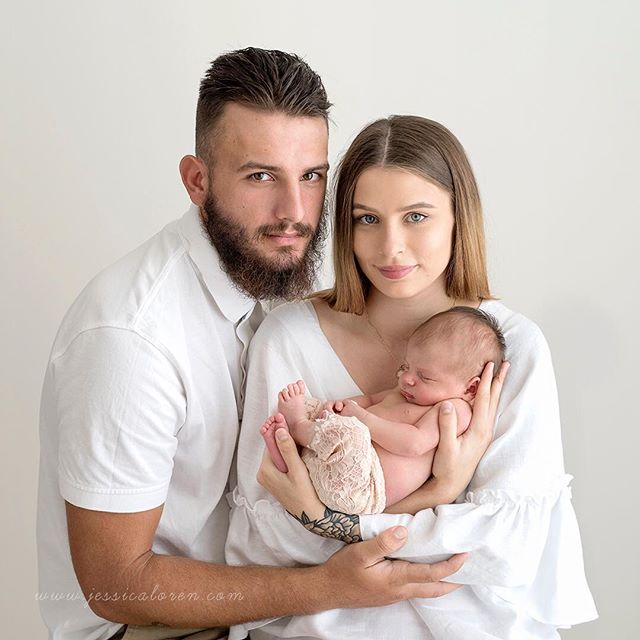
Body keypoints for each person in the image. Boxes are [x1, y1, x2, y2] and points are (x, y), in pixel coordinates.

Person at [37, 50, 477, 640]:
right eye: (260, 176)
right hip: (155, 628)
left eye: (312, 176)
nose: (294, 213)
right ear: (197, 181)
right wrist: (325, 588)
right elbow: (116, 584)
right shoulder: (132, 340)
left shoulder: (266, 279)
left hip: (256, 605)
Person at [226, 115, 597, 639]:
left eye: (416, 217)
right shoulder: (288, 338)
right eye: (367, 219)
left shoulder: (513, 349)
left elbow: (503, 553)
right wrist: (444, 491)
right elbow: (267, 545)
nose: (390, 248)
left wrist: (328, 524)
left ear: (457, 218)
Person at [261, 306, 507, 514]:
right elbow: (368, 399)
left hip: (364, 486)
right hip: (335, 466)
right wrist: (340, 406)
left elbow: (414, 444)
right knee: (313, 405)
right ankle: (288, 455)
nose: (406, 378)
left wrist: (363, 418)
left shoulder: (454, 409)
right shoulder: (405, 392)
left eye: (424, 376)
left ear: (471, 389)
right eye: (406, 366)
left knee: (349, 432)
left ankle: (300, 428)